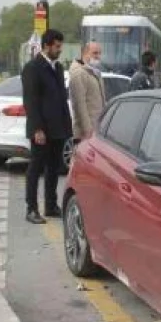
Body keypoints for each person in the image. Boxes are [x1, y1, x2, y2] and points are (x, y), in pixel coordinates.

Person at [21, 29, 73, 225]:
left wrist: (68, 129)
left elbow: (61, 100)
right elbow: (31, 102)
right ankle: (31, 209)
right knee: (35, 168)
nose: (60, 50)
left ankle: (51, 205)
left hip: (58, 129)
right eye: (57, 47)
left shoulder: (58, 68)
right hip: (41, 129)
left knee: (54, 168)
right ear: (46, 46)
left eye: (61, 46)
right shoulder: (33, 68)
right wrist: (37, 129)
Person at [69, 41, 106, 142]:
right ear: (85, 53)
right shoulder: (79, 73)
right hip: (85, 134)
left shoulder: (94, 72)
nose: (98, 56)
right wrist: (87, 130)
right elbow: (80, 105)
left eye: (99, 53)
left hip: (96, 131)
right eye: (95, 53)